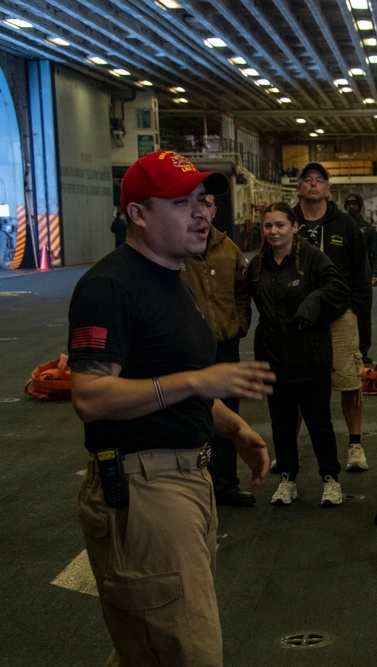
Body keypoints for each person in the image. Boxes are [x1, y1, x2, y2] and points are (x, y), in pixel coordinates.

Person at [68, 150, 274, 665]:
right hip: (144, 490)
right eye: (182, 202)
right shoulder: (109, 287)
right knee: (184, 651)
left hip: (185, 479)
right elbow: (90, 396)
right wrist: (196, 381)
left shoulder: (174, 280)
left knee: (151, 646)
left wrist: (232, 428)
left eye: (204, 201)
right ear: (138, 214)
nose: (202, 213)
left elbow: (179, 385)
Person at [249, 202, 351, 507]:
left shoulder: (312, 258)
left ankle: (330, 480)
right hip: (273, 358)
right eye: (268, 226)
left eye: (280, 225)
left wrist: (315, 300)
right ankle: (287, 480)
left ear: (294, 227)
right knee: (281, 424)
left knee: (320, 423)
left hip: (311, 358)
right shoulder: (256, 266)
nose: (274, 231)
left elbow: (338, 288)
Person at [294, 163, 372, 471]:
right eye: (307, 180)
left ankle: (355, 446)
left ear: (328, 188)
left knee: (349, 381)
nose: (313, 185)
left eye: (319, 180)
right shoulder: (288, 222)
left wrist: (355, 309)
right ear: (300, 187)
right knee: (297, 385)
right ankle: (289, 448)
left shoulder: (345, 224)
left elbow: (361, 269)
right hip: (298, 321)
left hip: (340, 317)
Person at [180, 193, 255, 507]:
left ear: (214, 210)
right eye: (197, 203)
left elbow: (242, 292)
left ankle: (225, 487)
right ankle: (195, 489)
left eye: (209, 204)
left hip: (225, 347)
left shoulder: (229, 249)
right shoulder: (179, 246)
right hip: (189, 351)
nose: (204, 210)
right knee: (191, 419)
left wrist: (238, 325)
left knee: (227, 421)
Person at [344, 193, 377, 365]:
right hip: (343, 280)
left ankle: (363, 351)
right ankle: (345, 351)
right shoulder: (340, 226)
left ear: (360, 206)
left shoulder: (368, 229)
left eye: (355, 204)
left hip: (363, 281)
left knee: (363, 318)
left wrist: (376, 274)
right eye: (349, 204)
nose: (352, 206)